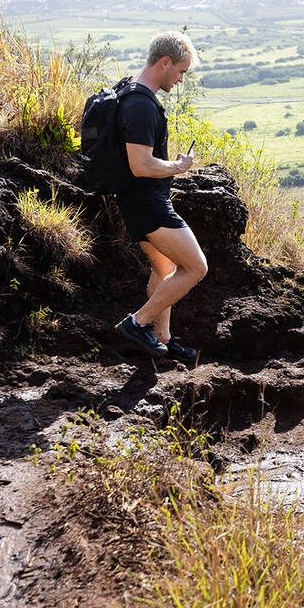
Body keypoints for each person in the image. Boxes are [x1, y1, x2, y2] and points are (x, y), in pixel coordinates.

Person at [112, 31, 208, 362]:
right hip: (148, 205)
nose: (181, 79)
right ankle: (138, 322)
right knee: (196, 267)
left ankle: (162, 339)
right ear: (164, 62)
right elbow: (140, 164)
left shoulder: (129, 89)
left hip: (138, 200)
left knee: (165, 266)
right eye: (180, 71)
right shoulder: (141, 105)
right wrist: (177, 167)